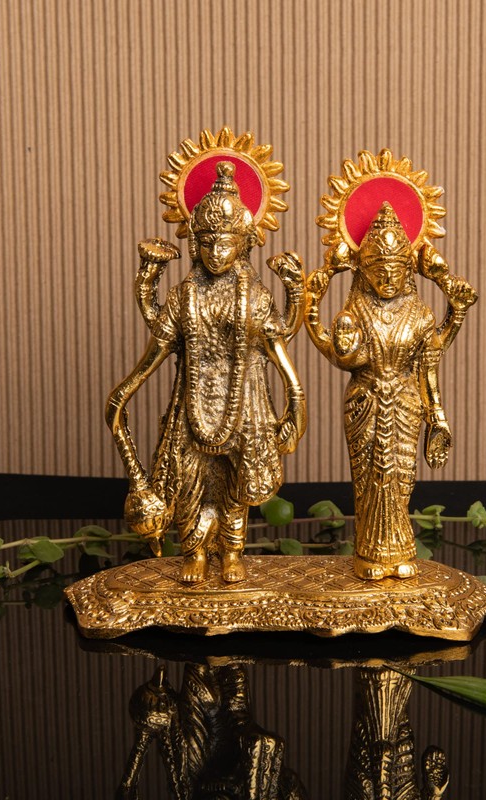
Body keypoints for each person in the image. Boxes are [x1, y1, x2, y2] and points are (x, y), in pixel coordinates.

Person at [106, 162, 306, 583]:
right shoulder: (184, 297)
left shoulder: (255, 297)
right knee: (189, 478)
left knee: (234, 484)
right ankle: (194, 552)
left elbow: (279, 341)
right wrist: (125, 391)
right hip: (191, 405)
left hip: (244, 405)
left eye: (226, 243)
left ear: (244, 244)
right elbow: (158, 344)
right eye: (208, 243)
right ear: (196, 244)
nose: (216, 253)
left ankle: (231, 552)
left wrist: (295, 401)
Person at [305, 203, 476, 580]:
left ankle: (399, 552)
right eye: (378, 270)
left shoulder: (419, 313)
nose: (387, 278)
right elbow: (342, 356)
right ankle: (369, 553)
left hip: (406, 401)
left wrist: (438, 417)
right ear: (363, 270)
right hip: (365, 401)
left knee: (401, 477)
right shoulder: (355, 311)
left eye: (395, 270)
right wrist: (313, 309)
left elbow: (430, 360)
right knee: (369, 478)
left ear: (408, 270)